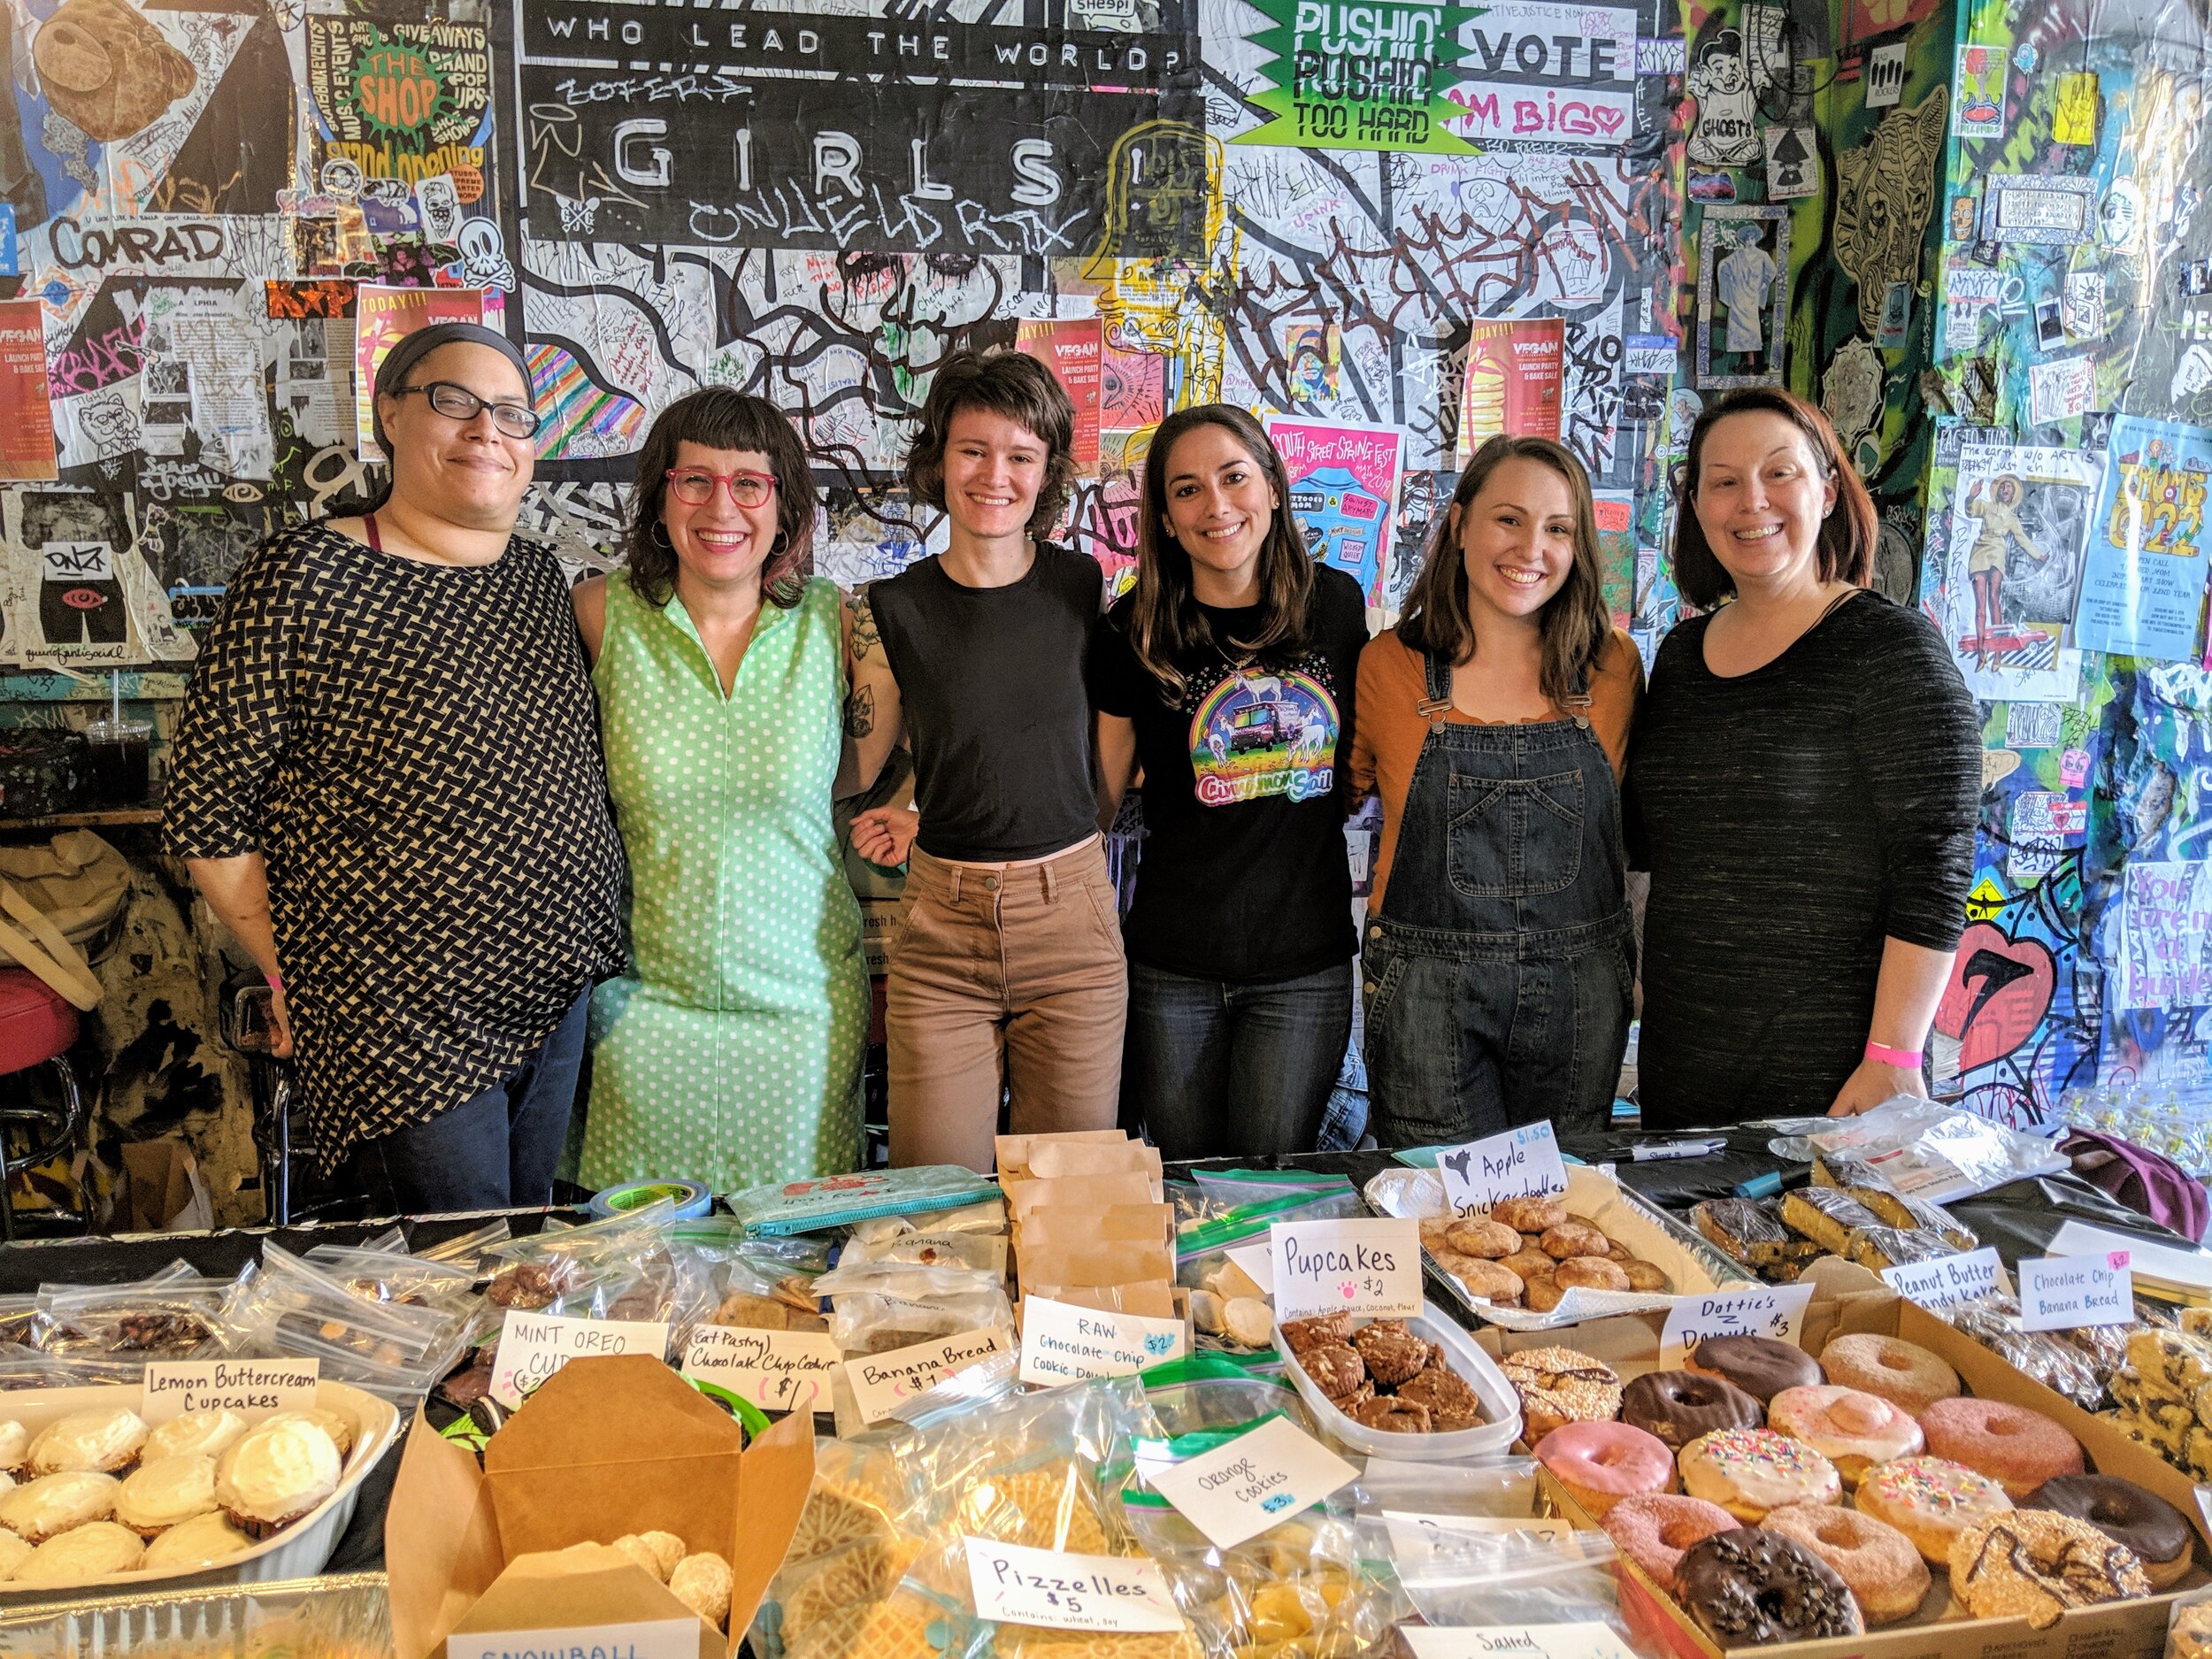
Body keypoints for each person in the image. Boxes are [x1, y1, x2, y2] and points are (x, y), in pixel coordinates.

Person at [163, 322, 625, 1212]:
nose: (486, 430)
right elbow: (206, 813)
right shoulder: (304, 572)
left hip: (554, 988)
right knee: (454, 1272)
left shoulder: (538, 580)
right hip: (399, 1016)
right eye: (453, 402)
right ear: (390, 417)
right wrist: (293, 969)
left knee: (531, 1257)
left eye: (512, 414)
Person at [1624, 387, 1979, 1127]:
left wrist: (1894, 1055)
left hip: (1840, 1081)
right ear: (1697, 509)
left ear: (1826, 487)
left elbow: (1935, 864)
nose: (1751, 500)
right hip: (1681, 1067)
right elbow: (1657, 854)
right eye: (1722, 482)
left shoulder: (1891, 649)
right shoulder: (1681, 658)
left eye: (1778, 472)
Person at [572, 389, 867, 1193]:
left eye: (750, 483)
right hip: (643, 1010)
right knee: (642, 1277)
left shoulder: (836, 625)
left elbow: (895, 760)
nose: (720, 506)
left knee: (791, 1279)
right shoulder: (600, 615)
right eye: (693, 479)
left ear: (784, 505)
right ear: (660, 497)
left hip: (802, 1015)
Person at [845, 349, 1124, 1172]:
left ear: (1047, 473)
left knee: (1068, 1207)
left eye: (1021, 456)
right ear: (938, 459)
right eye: (973, 450)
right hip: (941, 933)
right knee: (935, 1209)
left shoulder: (1083, 585)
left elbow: (1077, 746)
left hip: (1070, 919)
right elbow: (862, 762)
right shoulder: (894, 606)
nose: (994, 474)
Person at [1088, 405, 1367, 1159]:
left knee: (1266, 1195)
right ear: (1166, 517)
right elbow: (1098, 802)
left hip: (1302, 964)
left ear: (1273, 487)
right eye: (1186, 489)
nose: (1215, 504)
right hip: (1171, 964)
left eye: (1234, 476)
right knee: (1186, 1191)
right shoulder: (1133, 630)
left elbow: (1364, 762)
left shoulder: (1337, 607)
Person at [1350, 434, 1643, 1147]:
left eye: (1558, 528)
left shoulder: (1613, 668)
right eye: (1509, 519)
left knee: (1568, 1224)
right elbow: (1328, 796)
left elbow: (1635, 842)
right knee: (1441, 1220)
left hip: (1580, 1001)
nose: (1531, 548)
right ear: (1459, 525)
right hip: (1425, 998)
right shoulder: (1390, 667)